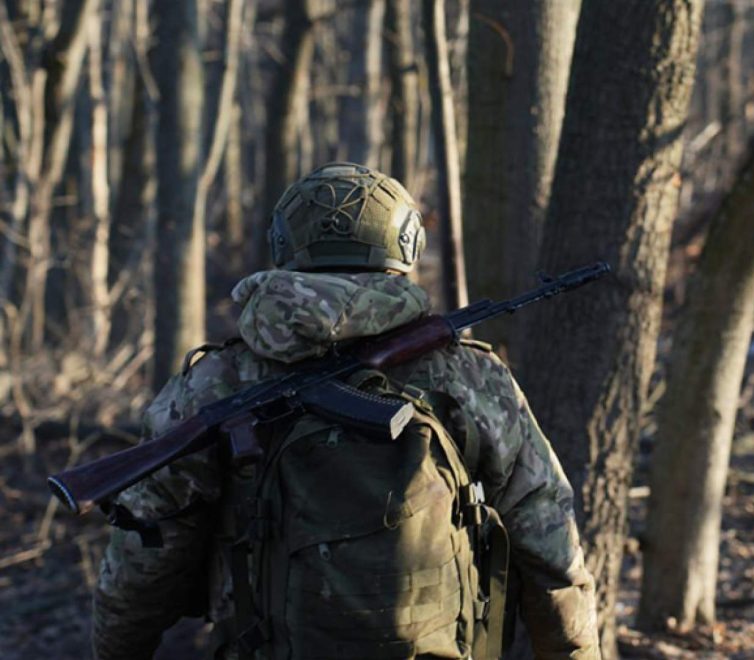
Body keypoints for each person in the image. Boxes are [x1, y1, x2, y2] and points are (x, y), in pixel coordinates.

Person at [92, 162, 600, 659]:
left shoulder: (214, 380)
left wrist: (116, 648)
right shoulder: (469, 378)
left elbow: (145, 554)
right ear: (406, 247)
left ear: (283, 246)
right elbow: (548, 542)